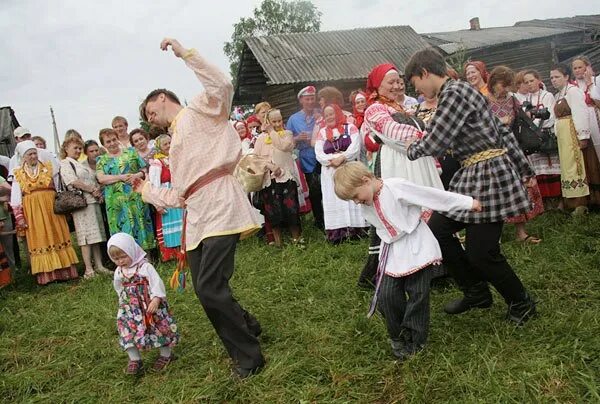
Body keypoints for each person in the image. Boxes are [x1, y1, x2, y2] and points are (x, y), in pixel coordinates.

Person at [138, 38, 264, 378]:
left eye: (152, 111)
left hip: (221, 201)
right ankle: (247, 325)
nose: (153, 119)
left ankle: (249, 358)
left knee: (210, 288)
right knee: (204, 289)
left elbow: (222, 83)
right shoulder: (175, 141)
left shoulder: (199, 109)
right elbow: (179, 194)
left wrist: (185, 53)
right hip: (195, 215)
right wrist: (146, 189)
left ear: (163, 98)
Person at [403, 47, 537, 325]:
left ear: (424, 73)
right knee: (438, 228)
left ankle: (521, 301)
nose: (418, 89)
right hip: (472, 174)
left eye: (415, 82)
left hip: (488, 175)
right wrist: (523, 167)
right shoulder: (465, 90)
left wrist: (411, 149)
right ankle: (475, 291)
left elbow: (436, 140)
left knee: (481, 252)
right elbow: (500, 131)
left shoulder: (453, 94)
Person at [333, 162, 480, 359]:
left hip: (416, 245)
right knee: (387, 295)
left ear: (366, 180)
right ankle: (398, 336)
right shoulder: (367, 202)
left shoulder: (396, 187)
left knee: (418, 294)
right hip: (393, 251)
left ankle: (415, 340)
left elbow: (432, 196)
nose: (356, 202)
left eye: (355, 197)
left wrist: (468, 203)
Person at [359, 62, 443, 288]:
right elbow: (393, 133)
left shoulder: (403, 109)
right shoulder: (375, 109)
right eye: (391, 82)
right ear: (377, 86)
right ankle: (408, 270)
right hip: (397, 165)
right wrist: (427, 135)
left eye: (399, 81)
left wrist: (427, 144)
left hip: (416, 162)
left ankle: (433, 268)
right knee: (407, 214)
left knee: (429, 211)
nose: (397, 85)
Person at [487, 66, 544, 243]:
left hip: (513, 149)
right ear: (494, 83)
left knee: (518, 189)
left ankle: (521, 232)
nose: (504, 89)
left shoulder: (512, 100)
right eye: (502, 85)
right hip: (493, 152)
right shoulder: (483, 101)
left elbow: (521, 120)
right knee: (496, 192)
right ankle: (494, 234)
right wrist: (498, 122)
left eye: (507, 85)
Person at [108, 233, 179, 375]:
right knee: (127, 330)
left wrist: (156, 299)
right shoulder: (119, 271)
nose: (120, 261)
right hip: (130, 308)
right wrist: (124, 302)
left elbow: (156, 283)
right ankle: (134, 359)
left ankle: (166, 355)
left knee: (159, 327)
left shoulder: (144, 267)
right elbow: (119, 286)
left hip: (149, 305)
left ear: (132, 251)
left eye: (123, 257)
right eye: (116, 259)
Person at [10, 141, 79, 285]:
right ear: (23, 157)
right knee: (40, 237)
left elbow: (58, 184)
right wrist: (19, 215)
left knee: (57, 234)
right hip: (33, 211)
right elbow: (16, 196)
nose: (33, 156)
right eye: (30, 154)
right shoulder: (18, 173)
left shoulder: (48, 167)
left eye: (35, 153)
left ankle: (65, 271)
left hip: (50, 208)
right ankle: (48, 275)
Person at [315, 104, 367, 243]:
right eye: (326, 115)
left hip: (348, 166)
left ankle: (357, 230)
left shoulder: (350, 128)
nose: (329, 117)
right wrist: (332, 160)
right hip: (330, 171)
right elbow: (319, 153)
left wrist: (343, 158)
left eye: (331, 114)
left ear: (338, 113)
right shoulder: (322, 133)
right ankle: (337, 233)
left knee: (351, 194)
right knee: (334, 198)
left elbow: (355, 146)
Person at [59, 136, 110, 279]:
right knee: (85, 236)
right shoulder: (65, 163)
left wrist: (96, 191)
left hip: (92, 201)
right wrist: (92, 189)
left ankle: (99, 265)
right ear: (66, 149)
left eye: (79, 148)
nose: (78, 150)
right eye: (75, 148)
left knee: (96, 234)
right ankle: (88, 268)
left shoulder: (78, 163)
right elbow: (73, 181)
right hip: (81, 203)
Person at [550, 64, 598, 215]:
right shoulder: (558, 96)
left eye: (557, 77)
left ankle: (583, 202)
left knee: (579, 167)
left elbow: (580, 113)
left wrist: (583, 136)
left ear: (566, 77)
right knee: (567, 168)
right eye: (551, 77)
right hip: (564, 139)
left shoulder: (573, 91)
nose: (553, 80)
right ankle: (571, 201)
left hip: (574, 136)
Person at [96, 128, 155, 250]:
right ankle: (126, 257)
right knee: (121, 226)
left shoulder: (131, 153)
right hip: (115, 203)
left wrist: (135, 175)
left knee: (140, 223)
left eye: (114, 140)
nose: (112, 143)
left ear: (118, 139)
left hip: (135, 197)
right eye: (108, 141)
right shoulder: (102, 160)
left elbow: (144, 170)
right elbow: (101, 178)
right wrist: (120, 177)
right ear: (103, 144)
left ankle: (146, 256)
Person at [253, 109, 303, 247]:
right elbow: (256, 159)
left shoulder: (287, 134)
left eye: (279, 120)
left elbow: (284, 146)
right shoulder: (261, 139)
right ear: (268, 121)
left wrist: (272, 131)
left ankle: (297, 239)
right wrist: (271, 166)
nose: (277, 124)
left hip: (286, 178)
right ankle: (278, 242)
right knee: (273, 211)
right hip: (269, 180)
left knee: (291, 209)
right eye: (273, 121)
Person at [286, 85, 325, 230]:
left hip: (324, 158)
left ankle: (331, 218)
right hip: (306, 160)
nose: (310, 102)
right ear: (301, 100)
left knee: (327, 189)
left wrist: (321, 120)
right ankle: (319, 220)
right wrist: (297, 138)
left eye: (312, 99)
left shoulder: (321, 114)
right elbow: (287, 142)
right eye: (307, 99)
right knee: (314, 192)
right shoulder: (293, 119)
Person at [522, 70, 562, 205]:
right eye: (526, 82)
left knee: (552, 168)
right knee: (539, 170)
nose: (529, 84)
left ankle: (558, 200)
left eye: (531, 81)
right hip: (533, 138)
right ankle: (545, 201)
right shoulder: (525, 100)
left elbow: (551, 117)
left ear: (538, 80)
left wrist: (535, 120)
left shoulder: (547, 95)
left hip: (545, 134)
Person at [148, 134, 184, 261]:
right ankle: (174, 253)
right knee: (171, 224)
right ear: (159, 147)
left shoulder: (176, 157)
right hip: (166, 195)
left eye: (170, 142)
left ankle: (185, 250)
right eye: (165, 144)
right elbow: (154, 185)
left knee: (183, 222)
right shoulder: (157, 163)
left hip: (179, 193)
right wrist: (158, 204)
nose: (169, 146)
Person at [572, 56, 600, 162]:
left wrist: (589, 84)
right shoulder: (572, 86)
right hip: (582, 122)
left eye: (580, 67)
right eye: (575, 68)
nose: (578, 70)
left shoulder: (596, 81)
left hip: (596, 118)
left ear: (587, 68)